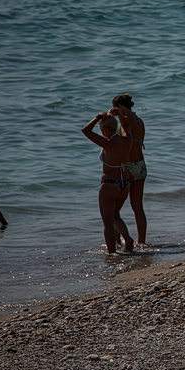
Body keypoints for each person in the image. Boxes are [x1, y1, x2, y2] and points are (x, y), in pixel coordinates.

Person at [81, 108, 134, 253]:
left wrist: (98, 116)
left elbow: (85, 130)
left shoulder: (108, 144)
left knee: (108, 223)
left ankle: (112, 254)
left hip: (110, 185)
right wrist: (119, 115)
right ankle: (127, 237)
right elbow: (127, 126)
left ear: (104, 130)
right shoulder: (127, 140)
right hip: (125, 184)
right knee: (116, 216)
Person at [112, 94, 147, 245]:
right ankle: (142, 241)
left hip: (129, 166)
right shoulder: (139, 121)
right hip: (141, 165)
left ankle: (118, 241)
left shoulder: (125, 119)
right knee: (138, 206)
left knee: (113, 209)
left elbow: (125, 140)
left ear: (120, 107)